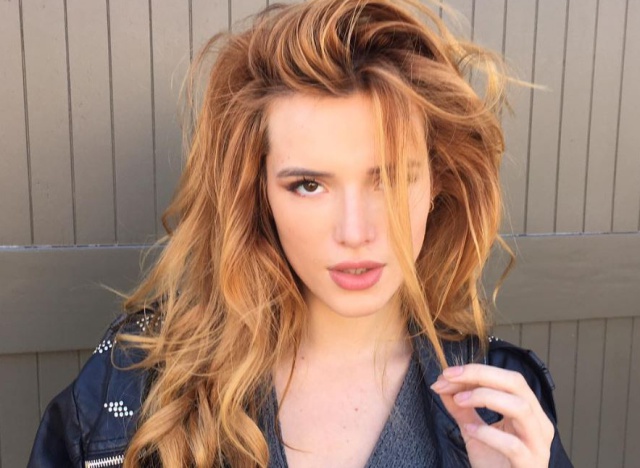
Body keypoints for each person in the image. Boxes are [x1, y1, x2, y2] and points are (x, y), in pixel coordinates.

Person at [29, 0, 572, 466]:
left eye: (388, 180)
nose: (355, 232)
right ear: (258, 192)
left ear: (437, 182)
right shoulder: (134, 383)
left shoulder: (501, 403)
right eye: (309, 185)